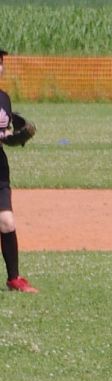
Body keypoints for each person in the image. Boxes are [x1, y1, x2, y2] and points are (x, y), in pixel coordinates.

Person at [0, 49, 38, 293]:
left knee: (6, 221)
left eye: (0, 62)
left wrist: (16, 135)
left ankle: (14, 278)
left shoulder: (4, 98)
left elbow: (5, 130)